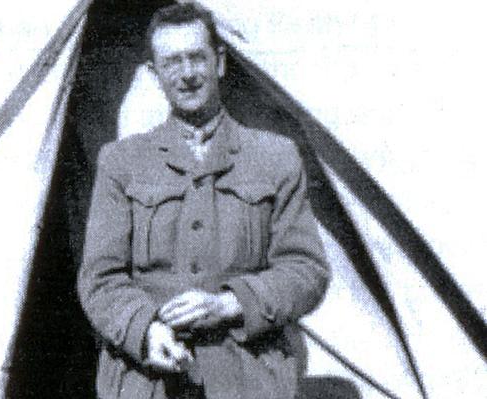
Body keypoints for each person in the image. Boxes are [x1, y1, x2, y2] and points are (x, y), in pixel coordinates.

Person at [78, 3, 330, 399]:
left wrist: (231, 305)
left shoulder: (275, 156)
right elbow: (99, 280)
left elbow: (306, 270)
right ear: (154, 74)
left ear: (220, 62)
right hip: (147, 382)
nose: (187, 74)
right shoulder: (121, 162)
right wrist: (146, 330)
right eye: (172, 62)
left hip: (246, 381)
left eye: (197, 57)